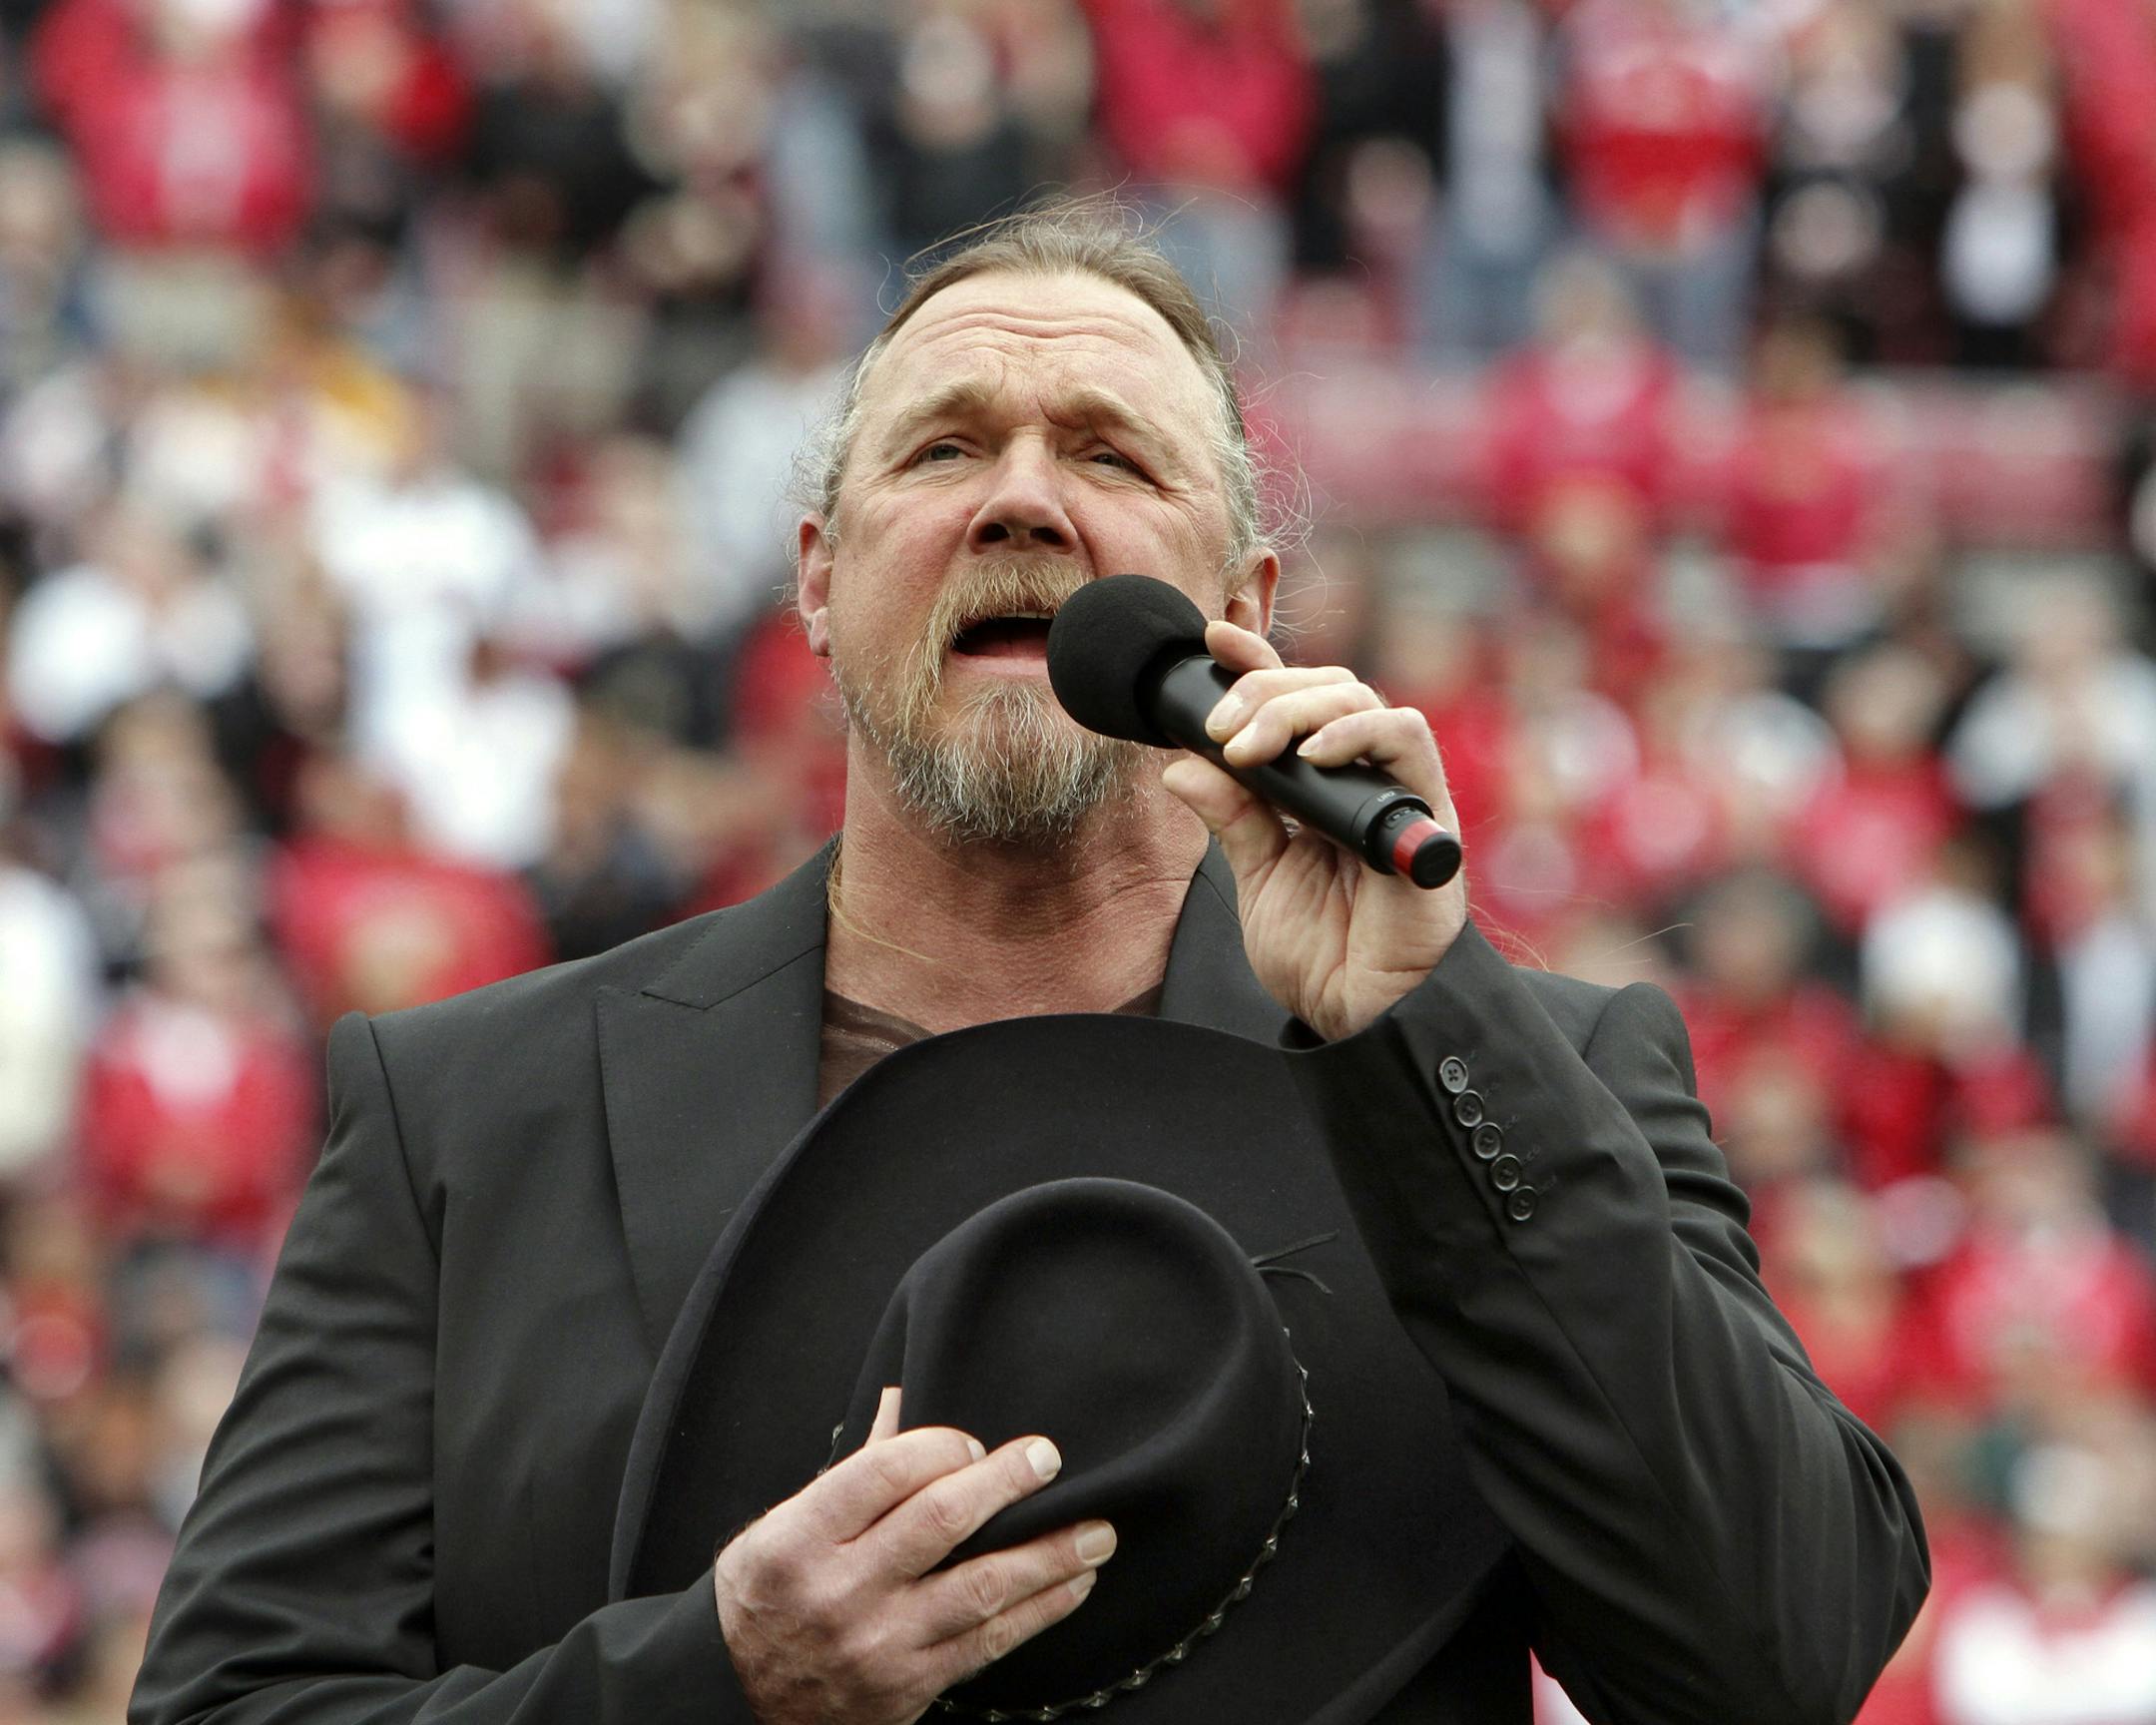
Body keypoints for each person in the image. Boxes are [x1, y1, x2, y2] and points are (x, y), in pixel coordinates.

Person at [130, 205, 1927, 1725]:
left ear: (1246, 605)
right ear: (819, 580)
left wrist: (1426, 1020)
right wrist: (712, 1688)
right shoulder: (463, 1116)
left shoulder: (1532, 1074)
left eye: (1110, 455)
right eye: (943, 450)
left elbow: (1775, 1658)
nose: (1021, 503)